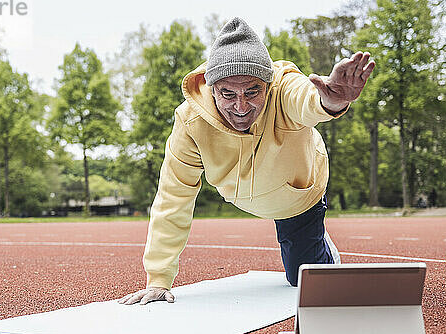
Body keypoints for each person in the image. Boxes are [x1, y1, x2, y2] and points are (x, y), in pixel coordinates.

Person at [119, 17, 375, 305]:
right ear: (211, 87)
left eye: (252, 92)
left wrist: (333, 101)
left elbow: (307, 100)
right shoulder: (190, 122)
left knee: (306, 279)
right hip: (242, 194)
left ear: (268, 85)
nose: (240, 107)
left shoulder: (284, 89)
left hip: (297, 193)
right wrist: (158, 278)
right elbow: (173, 197)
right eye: (228, 94)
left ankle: (324, 250)